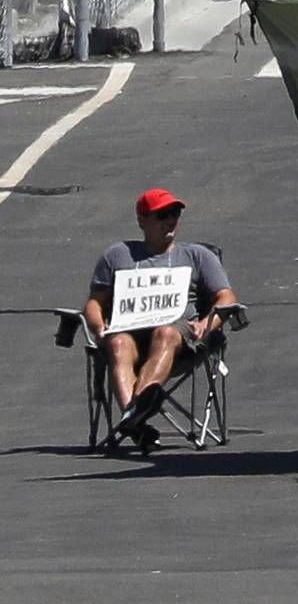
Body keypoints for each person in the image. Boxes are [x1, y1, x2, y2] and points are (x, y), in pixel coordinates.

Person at [83, 188, 240, 446]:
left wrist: (206, 323)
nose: (171, 220)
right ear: (142, 221)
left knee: (165, 332)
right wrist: (99, 326)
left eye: (174, 213)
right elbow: (94, 302)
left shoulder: (197, 256)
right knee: (117, 343)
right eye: (162, 215)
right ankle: (137, 419)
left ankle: (133, 415)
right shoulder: (117, 255)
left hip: (180, 335)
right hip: (130, 328)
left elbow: (226, 297)